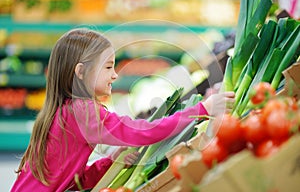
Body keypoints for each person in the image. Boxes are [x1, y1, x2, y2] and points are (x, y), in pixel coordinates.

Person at [11, 28, 235, 191]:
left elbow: (75, 179)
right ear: (81, 72)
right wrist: (200, 109)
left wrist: (110, 162)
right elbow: (141, 131)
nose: (115, 75)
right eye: (108, 67)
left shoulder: (65, 110)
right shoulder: (83, 111)